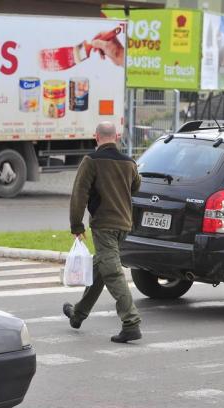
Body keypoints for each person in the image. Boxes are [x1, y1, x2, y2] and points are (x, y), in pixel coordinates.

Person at [63, 121, 142, 343]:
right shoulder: (129, 163)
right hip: (124, 225)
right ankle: (77, 315)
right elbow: (136, 186)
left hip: (104, 225)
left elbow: (79, 194)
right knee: (100, 268)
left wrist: (76, 226)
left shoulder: (91, 161)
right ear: (116, 137)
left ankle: (131, 322)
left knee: (113, 272)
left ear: (96, 137)